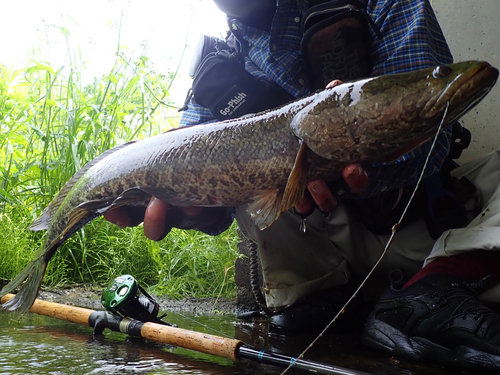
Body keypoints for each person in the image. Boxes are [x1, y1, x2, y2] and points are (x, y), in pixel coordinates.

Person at [104, 0, 500, 372]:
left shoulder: (381, 2)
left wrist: (348, 148)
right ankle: (327, 299)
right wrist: (194, 214)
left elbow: (433, 136)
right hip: (313, 261)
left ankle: (435, 283)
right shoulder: (217, 68)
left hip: (428, 232)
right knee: (257, 188)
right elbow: (207, 205)